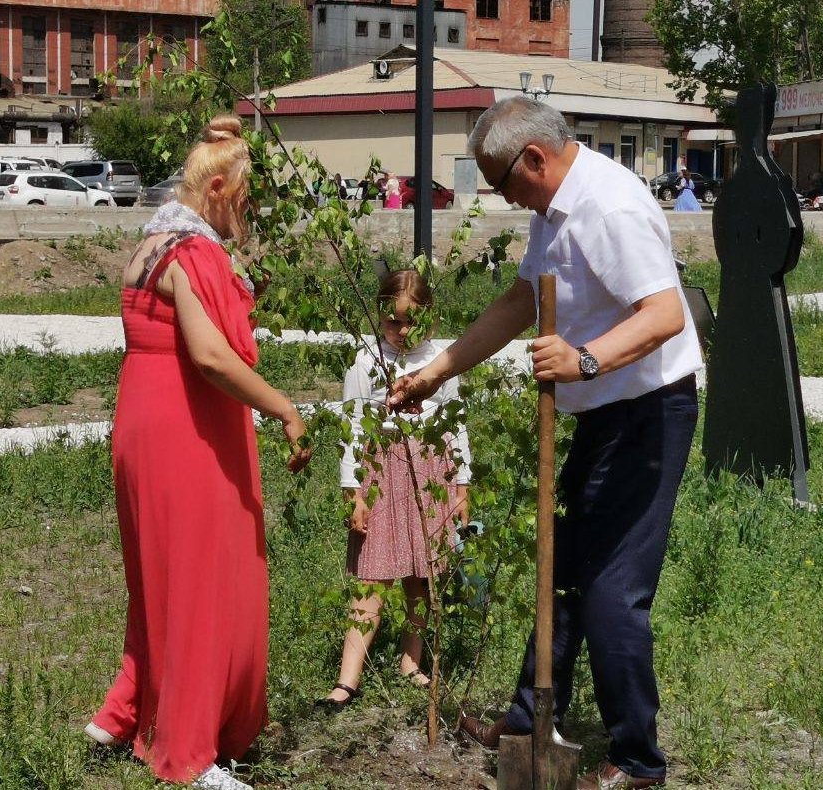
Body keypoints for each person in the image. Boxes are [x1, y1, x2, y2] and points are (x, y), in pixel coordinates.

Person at [388, 96, 702, 790]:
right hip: (608, 413)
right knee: (562, 573)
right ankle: (529, 721)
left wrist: (584, 360)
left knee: (611, 589)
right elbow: (520, 301)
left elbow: (665, 314)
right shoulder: (555, 210)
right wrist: (436, 372)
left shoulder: (608, 208)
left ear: (534, 158)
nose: (504, 198)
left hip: (649, 412)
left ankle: (638, 762)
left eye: (501, 183)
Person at [85, 114, 311, 790]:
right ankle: (188, 752)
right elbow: (211, 355)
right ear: (216, 189)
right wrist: (283, 407)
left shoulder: (153, 242)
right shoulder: (193, 254)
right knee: (199, 583)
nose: (248, 215)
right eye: (243, 199)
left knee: (158, 577)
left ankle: (124, 713)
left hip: (143, 417)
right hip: (188, 427)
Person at [316, 269, 472, 711]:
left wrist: (461, 485)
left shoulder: (442, 362)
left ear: (431, 318)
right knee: (373, 574)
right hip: (381, 473)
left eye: (412, 322)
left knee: (421, 575)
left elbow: (457, 424)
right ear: (379, 317)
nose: (403, 332)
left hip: (432, 472)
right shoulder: (366, 361)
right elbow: (352, 427)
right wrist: (353, 490)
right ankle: (347, 679)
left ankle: (411, 661)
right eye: (393, 321)